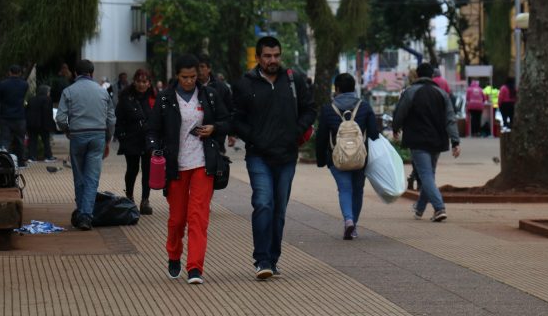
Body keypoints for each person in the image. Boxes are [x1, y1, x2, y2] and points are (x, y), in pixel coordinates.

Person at [232, 36, 317, 280]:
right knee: (263, 203)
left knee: (279, 209)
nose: (273, 60)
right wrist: (254, 137)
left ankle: (273, 258)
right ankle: (262, 260)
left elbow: (310, 109)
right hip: (258, 155)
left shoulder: (293, 80)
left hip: (287, 155)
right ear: (258, 58)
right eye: (268, 56)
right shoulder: (245, 84)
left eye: (276, 55)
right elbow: (236, 118)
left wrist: (296, 131)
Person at [146, 54, 230, 284]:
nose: (189, 81)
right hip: (175, 166)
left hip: (203, 163)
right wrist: (155, 150)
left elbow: (226, 120)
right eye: (185, 77)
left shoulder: (209, 95)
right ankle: (174, 255)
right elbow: (152, 131)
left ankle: (195, 268)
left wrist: (214, 128)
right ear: (177, 76)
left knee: (198, 217)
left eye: (194, 76)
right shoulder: (165, 98)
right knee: (177, 219)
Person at [392, 62, 460, 222]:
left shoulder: (411, 92)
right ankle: (419, 209)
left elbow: (400, 112)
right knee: (429, 175)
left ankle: (439, 208)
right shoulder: (442, 94)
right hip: (437, 140)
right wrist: (455, 141)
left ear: (417, 75)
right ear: (432, 76)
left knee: (426, 175)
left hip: (418, 140)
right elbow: (450, 119)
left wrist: (396, 128)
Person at [315, 73, 379, 240]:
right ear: (354, 88)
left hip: (337, 159)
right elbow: (373, 133)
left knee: (344, 189)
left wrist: (321, 159)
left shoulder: (328, 109)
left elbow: (321, 136)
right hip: (360, 158)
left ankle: (348, 220)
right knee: (357, 190)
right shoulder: (364, 107)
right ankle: (354, 226)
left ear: (337, 89)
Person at [55, 59, 116, 231]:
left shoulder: (68, 91)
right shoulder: (102, 92)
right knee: (92, 177)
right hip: (98, 136)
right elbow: (111, 119)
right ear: (92, 73)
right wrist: (108, 139)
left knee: (79, 176)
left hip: (77, 136)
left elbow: (60, 119)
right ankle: (86, 215)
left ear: (75, 73)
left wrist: (67, 130)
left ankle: (82, 212)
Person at [115, 69, 156, 215]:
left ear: (149, 83)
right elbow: (118, 119)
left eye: (144, 81)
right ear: (134, 82)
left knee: (147, 171)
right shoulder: (126, 97)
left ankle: (145, 200)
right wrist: (122, 137)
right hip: (131, 140)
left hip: (148, 140)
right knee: (132, 169)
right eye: (138, 81)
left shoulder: (154, 98)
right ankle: (129, 198)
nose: (141, 84)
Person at [0, 64, 30, 166]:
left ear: (9, 72)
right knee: (20, 140)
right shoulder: (24, 85)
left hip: (5, 116)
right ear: (19, 73)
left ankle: (3, 162)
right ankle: (21, 162)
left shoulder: (2, 84)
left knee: (4, 140)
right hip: (20, 116)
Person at [25, 84, 57, 162]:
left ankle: (31, 157)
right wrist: (50, 125)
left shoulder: (32, 99)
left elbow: (27, 111)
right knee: (46, 140)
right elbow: (48, 113)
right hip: (43, 123)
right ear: (46, 92)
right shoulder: (47, 99)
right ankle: (48, 156)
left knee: (32, 140)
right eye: (49, 91)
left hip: (32, 123)